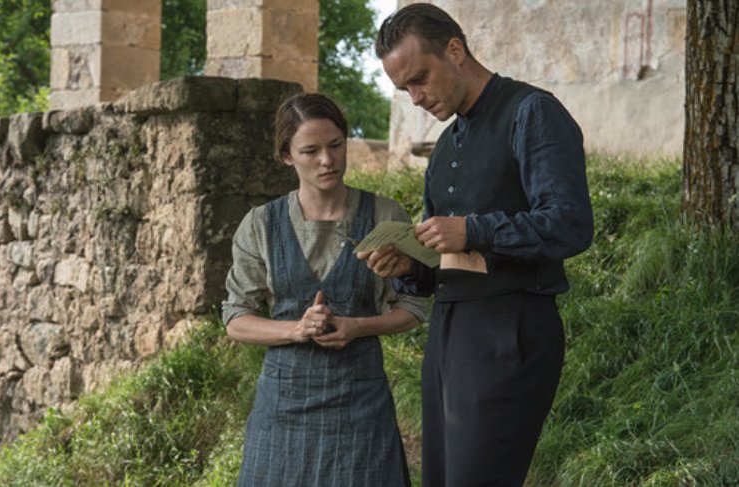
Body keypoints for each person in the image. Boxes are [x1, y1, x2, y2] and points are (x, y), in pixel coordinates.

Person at [357, 4, 594, 486]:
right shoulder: (445, 147)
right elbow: (447, 260)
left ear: (455, 50)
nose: (416, 98)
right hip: (449, 329)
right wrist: (410, 266)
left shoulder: (532, 112)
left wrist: (474, 230)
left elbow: (570, 224)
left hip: (511, 326)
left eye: (420, 79)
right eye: (405, 90)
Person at [222, 92, 425, 487]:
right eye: (310, 151)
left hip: (360, 405)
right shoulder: (260, 224)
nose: (327, 160)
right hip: (283, 405)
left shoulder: (384, 216)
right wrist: (296, 329)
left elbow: (414, 307)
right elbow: (236, 319)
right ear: (287, 156)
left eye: (335, 145)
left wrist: (358, 326)